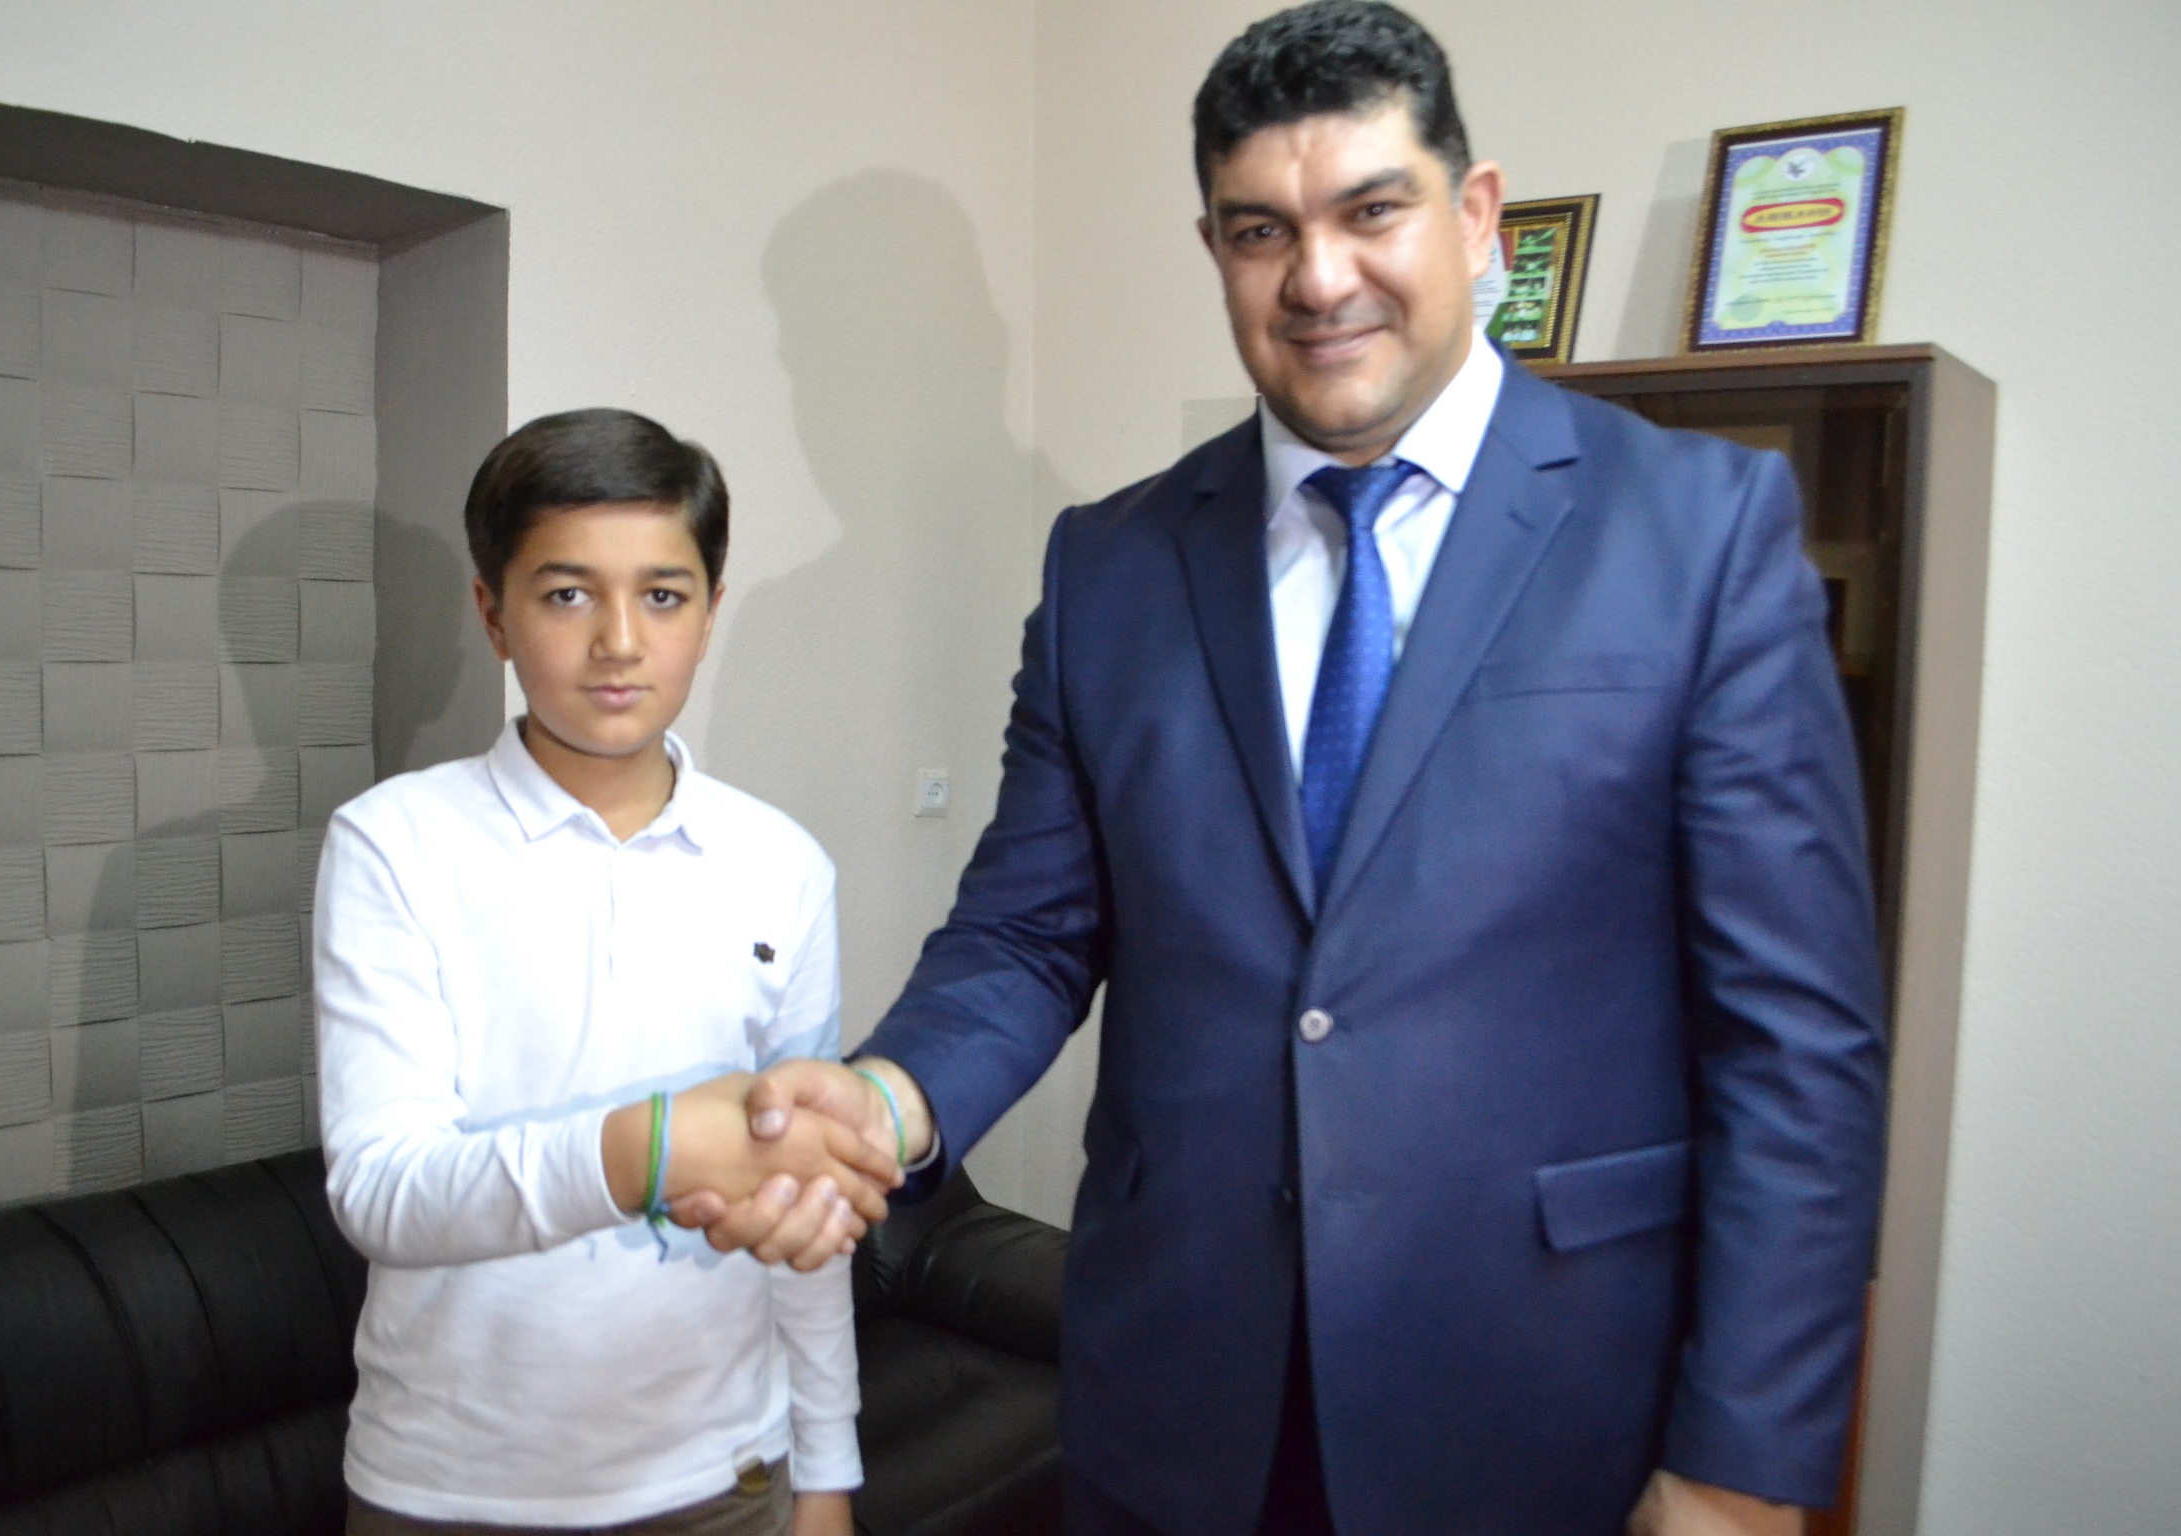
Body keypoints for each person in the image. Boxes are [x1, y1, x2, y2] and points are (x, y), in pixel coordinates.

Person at [689, 4, 1888, 1533]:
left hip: (1545, 1402)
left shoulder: (1702, 531)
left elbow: (1798, 1044)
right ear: (1215, 250)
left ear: (1476, 215)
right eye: (1261, 230)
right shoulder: (1111, 564)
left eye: (1372, 211)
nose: (1319, 280)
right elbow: (1026, 934)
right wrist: (888, 1102)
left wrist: (1741, 1466)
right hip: (1180, 1402)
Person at [315, 410, 900, 1536]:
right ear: (494, 613)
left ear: (710, 614)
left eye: (664, 595)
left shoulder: (783, 864)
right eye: (568, 594)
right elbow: (382, 1191)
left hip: (727, 1477)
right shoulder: (394, 845)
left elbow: (802, 1196)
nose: (620, 641)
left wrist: (827, 1466)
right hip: (450, 1485)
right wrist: (649, 1149)